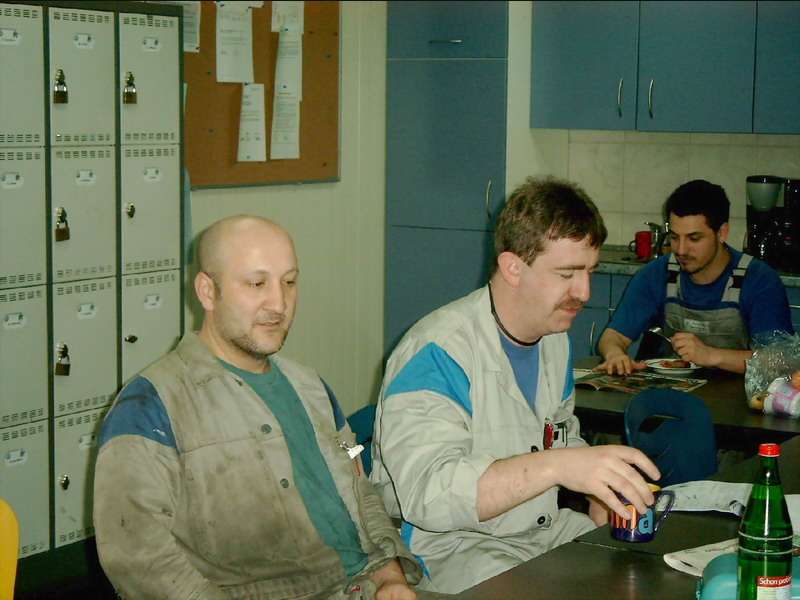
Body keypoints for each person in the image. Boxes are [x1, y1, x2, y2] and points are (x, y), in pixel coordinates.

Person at [93, 216, 421, 600]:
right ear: (207, 292)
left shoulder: (311, 388)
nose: (279, 304)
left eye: (289, 282)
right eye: (256, 284)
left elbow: (359, 490)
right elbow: (139, 558)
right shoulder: (150, 408)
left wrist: (390, 577)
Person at [369, 177, 660, 593]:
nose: (584, 292)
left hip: (535, 530)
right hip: (448, 546)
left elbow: (559, 437)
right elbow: (428, 495)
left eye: (589, 272)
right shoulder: (437, 352)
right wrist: (560, 467)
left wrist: (601, 491)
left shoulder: (553, 339)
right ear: (512, 268)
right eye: (567, 274)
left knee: (641, 571)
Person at [597, 179, 794, 376]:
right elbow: (613, 336)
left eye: (694, 238)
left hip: (737, 392)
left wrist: (711, 355)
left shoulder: (759, 280)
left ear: (722, 233)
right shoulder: (657, 273)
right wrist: (615, 354)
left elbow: (779, 361)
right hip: (669, 390)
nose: (681, 250)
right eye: (674, 237)